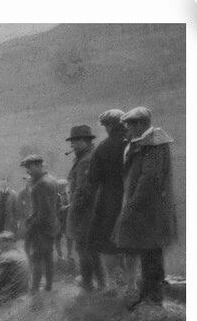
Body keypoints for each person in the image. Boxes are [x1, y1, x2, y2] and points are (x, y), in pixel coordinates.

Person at [111, 106, 178, 309]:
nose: (128, 129)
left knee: (151, 252)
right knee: (147, 250)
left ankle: (153, 299)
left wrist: (132, 204)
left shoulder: (154, 143)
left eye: (130, 125)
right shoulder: (143, 142)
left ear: (140, 124)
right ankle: (148, 295)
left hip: (149, 209)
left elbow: (149, 179)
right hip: (144, 209)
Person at [87, 109, 129, 293]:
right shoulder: (134, 144)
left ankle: (112, 284)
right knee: (130, 242)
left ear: (110, 126)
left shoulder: (103, 148)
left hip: (109, 201)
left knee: (106, 243)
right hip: (131, 199)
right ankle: (130, 283)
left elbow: (92, 179)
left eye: (105, 126)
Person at [65, 124, 104, 290]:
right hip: (90, 212)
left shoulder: (85, 161)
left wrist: (72, 209)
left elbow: (83, 190)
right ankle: (100, 283)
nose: (72, 145)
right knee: (91, 250)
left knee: (83, 250)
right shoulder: (84, 157)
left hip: (84, 213)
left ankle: (88, 284)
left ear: (85, 141)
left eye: (75, 141)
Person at [21, 155, 60, 293]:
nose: (28, 172)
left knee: (36, 257)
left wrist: (32, 224)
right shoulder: (51, 179)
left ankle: (34, 288)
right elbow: (56, 205)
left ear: (39, 165)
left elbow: (42, 212)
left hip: (41, 228)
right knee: (48, 256)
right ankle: (48, 286)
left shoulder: (40, 184)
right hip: (52, 225)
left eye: (30, 167)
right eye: (26, 168)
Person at [17, 174, 33, 257]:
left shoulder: (37, 190)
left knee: (36, 236)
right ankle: (27, 253)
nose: (29, 182)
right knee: (27, 236)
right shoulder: (22, 192)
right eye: (28, 181)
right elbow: (19, 205)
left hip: (35, 217)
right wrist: (25, 213)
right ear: (26, 182)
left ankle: (35, 254)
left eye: (30, 181)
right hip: (26, 218)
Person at [55, 178, 71, 261]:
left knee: (69, 237)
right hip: (59, 219)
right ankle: (59, 254)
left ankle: (69, 254)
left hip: (67, 219)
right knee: (58, 237)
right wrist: (67, 207)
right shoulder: (56, 195)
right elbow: (57, 208)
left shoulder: (68, 194)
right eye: (61, 186)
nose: (63, 187)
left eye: (64, 186)